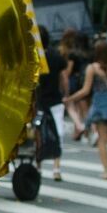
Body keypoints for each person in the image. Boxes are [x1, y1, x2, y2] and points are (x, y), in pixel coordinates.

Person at [65, 40, 107, 180]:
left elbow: (85, 90)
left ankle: (106, 171)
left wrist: (70, 99)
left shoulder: (92, 68)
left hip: (100, 104)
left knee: (102, 139)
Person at [37, 31, 67, 182]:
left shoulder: (33, 57)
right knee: (59, 133)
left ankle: (38, 166)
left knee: (37, 134)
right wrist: (66, 94)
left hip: (38, 102)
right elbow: (63, 78)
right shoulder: (56, 58)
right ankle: (56, 168)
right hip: (55, 100)